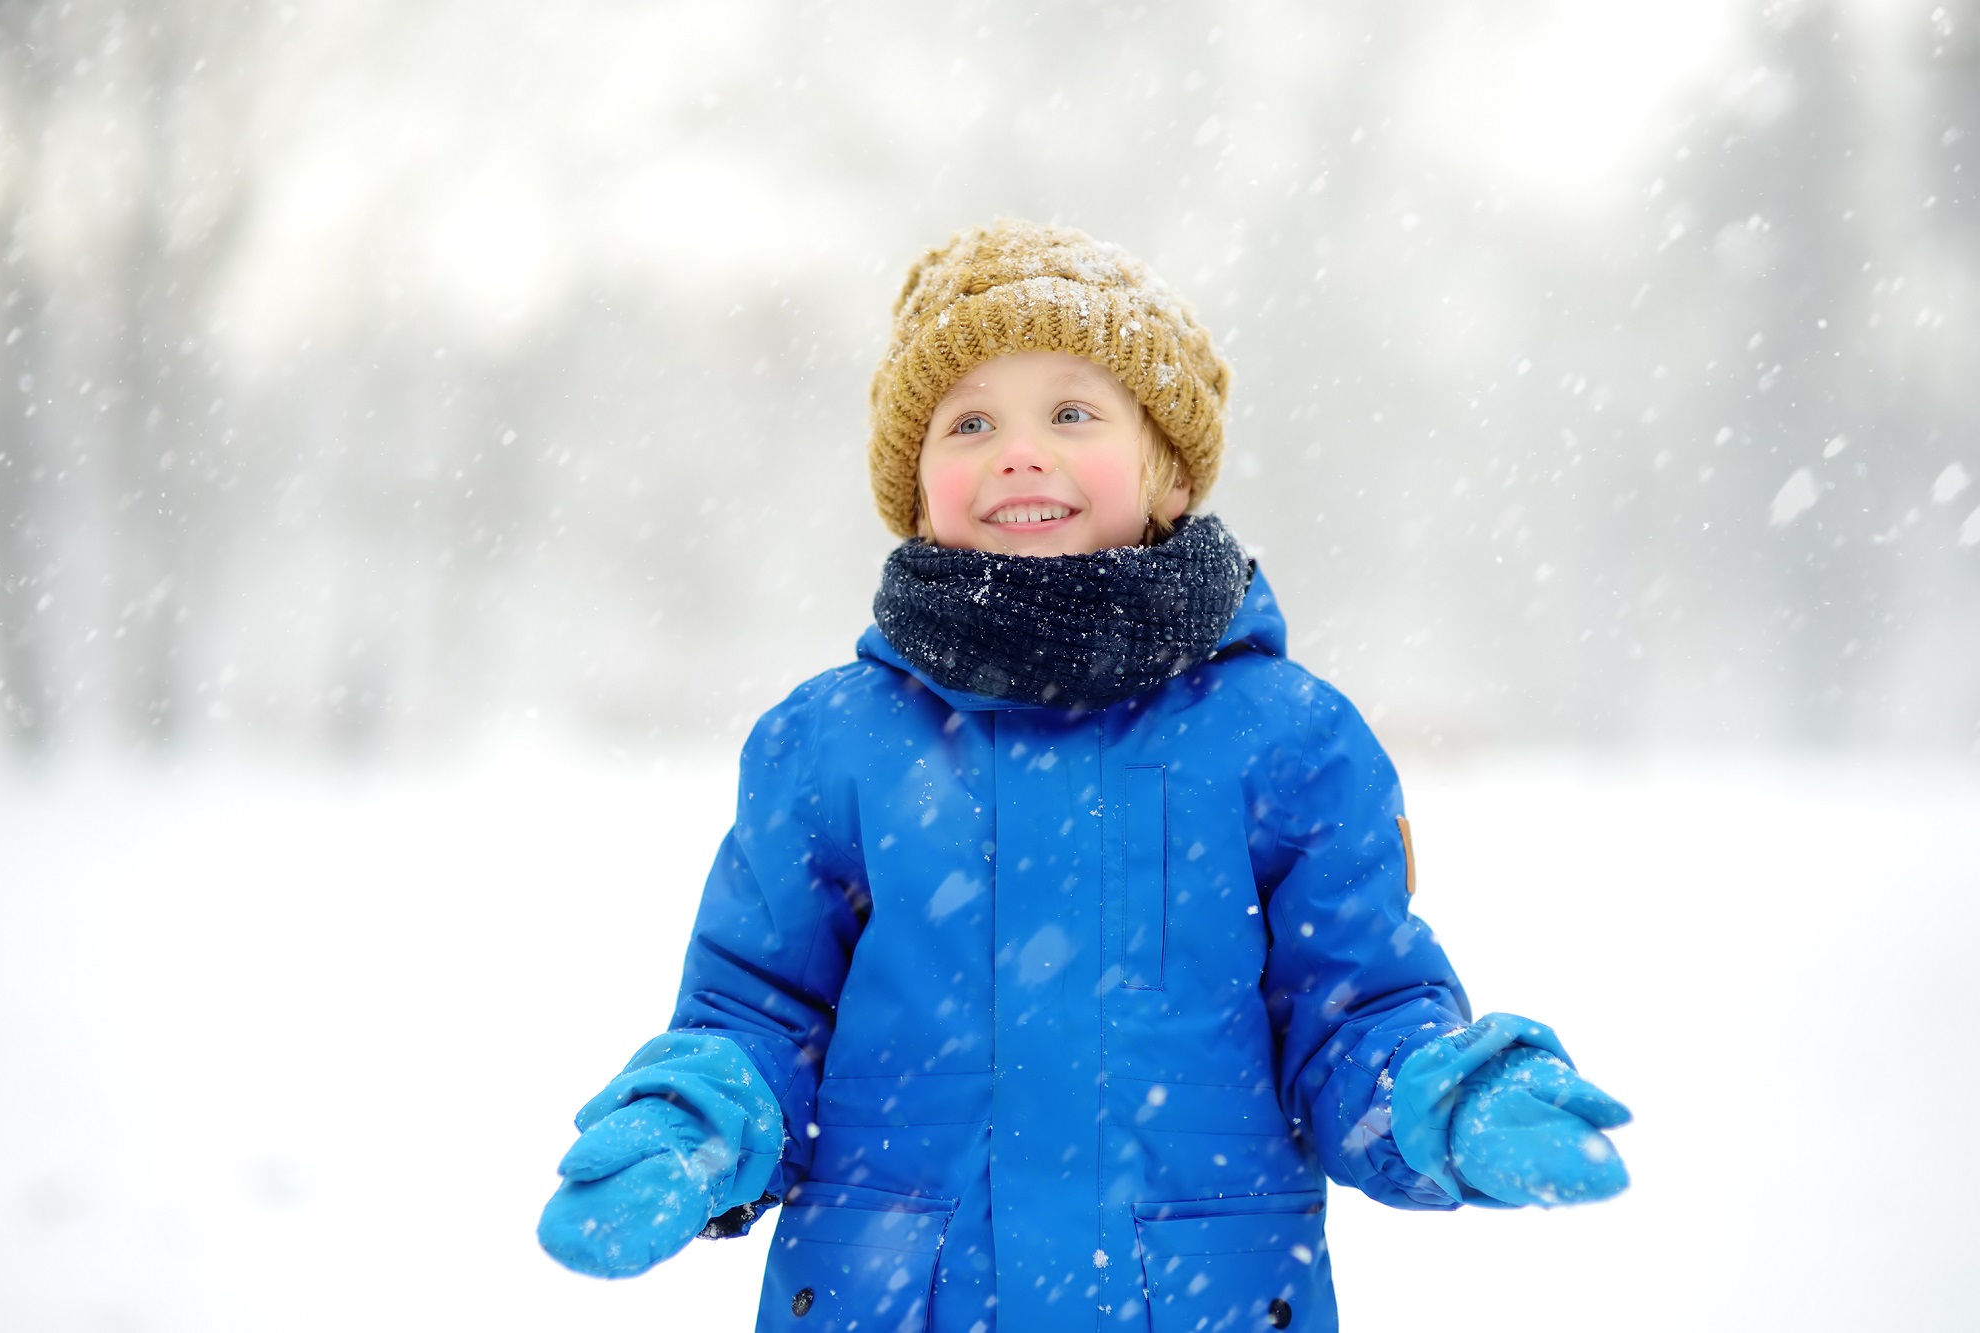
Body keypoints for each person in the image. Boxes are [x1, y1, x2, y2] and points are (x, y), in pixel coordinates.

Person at [535, 220, 1632, 1333]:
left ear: (1163, 474)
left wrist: (1438, 1096)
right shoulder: (829, 747)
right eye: (968, 422)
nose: (1017, 451)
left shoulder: (1286, 739)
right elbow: (763, 1012)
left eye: (1070, 413)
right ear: (916, 492)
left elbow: (1350, 1015)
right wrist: (699, 1119)